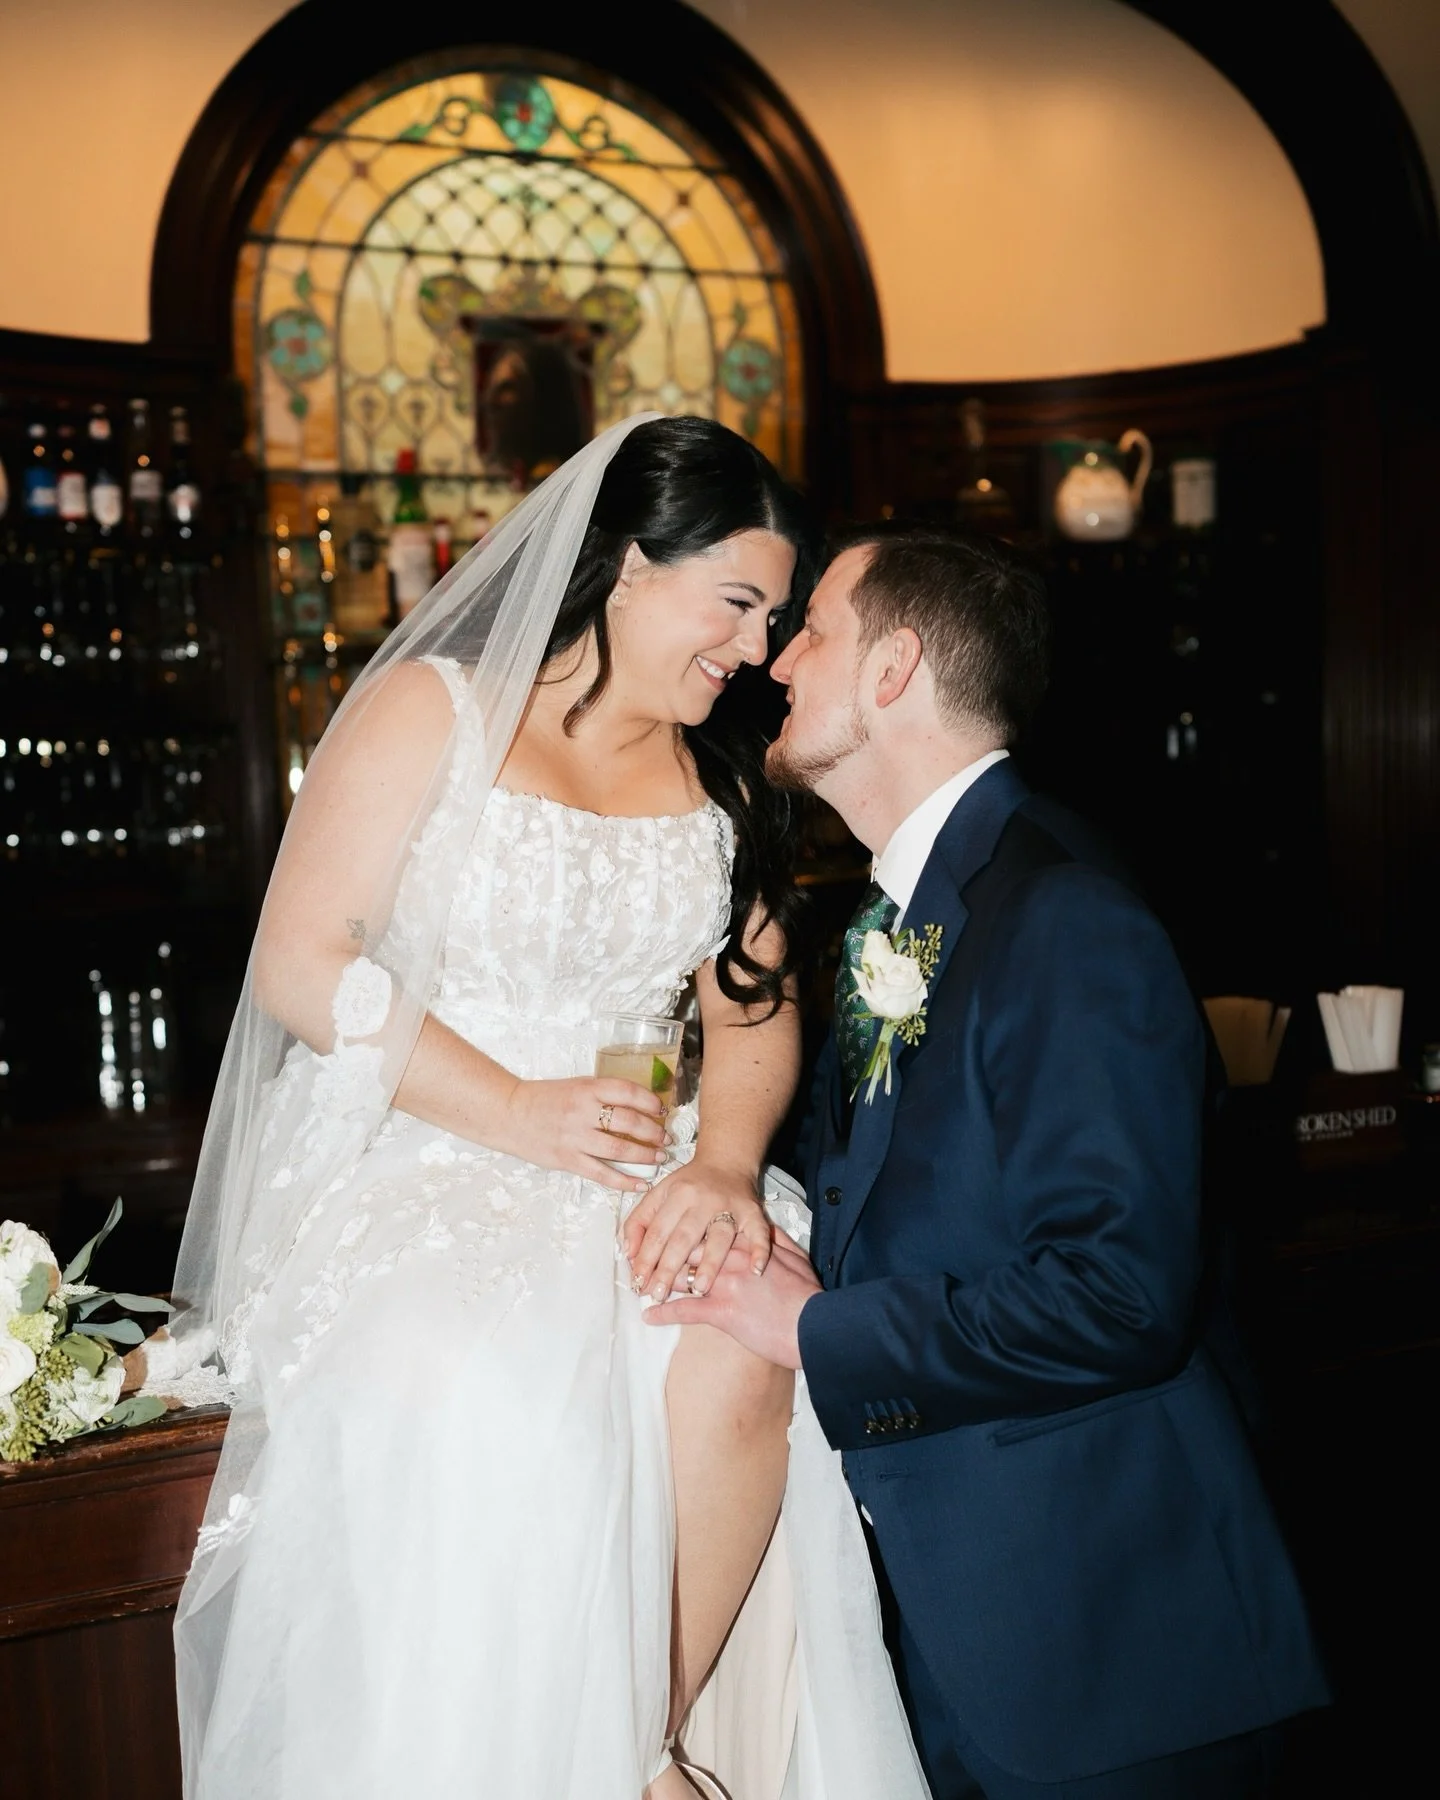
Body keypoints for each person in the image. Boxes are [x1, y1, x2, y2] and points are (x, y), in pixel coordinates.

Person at [170, 417, 929, 1800]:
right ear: (635, 567)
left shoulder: (719, 785)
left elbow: (754, 1009)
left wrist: (723, 1163)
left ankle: (645, 1732)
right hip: (435, 1146)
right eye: (740, 603)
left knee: (753, 1333)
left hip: (651, 1169)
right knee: (519, 1394)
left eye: (773, 617)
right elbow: (298, 963)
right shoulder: (434, 714)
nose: (758, 650)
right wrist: (516, 1110)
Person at [649, 529, 1330, 1798]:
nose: (777, 662)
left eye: (815, 633)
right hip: (962, 1643)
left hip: (1109, 1658)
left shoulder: (1063, 912)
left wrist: (820, 1331)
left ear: (896, 668)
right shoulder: (896, 918)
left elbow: (1120, 1294)